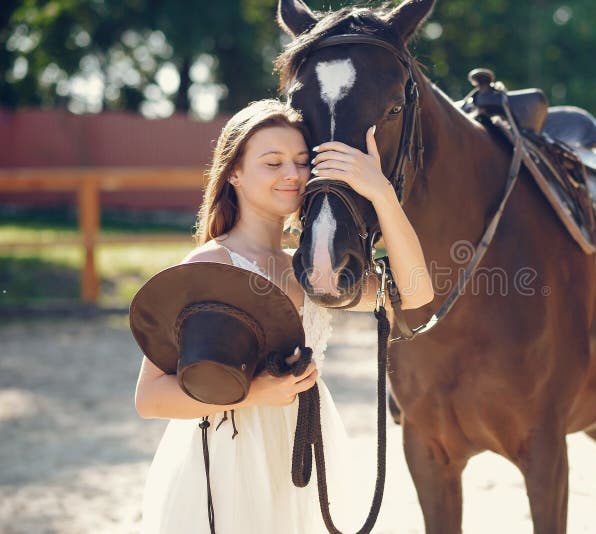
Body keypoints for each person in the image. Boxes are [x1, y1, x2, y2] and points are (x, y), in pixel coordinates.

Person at [134, 98, 434, 533]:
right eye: (272, 163)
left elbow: (415, 292)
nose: (292, 175)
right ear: (233, 172)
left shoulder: (311, 270)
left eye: (300, 162)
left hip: (303, 454)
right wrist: (255, 393)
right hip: (230, 462)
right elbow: (150, 398)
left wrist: (380, 192)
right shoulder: (212, 264)